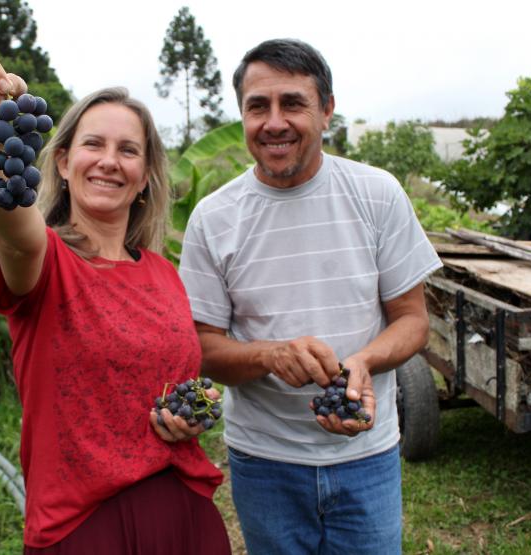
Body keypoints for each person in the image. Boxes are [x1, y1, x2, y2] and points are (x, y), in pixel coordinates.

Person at [0, 46, 231, 554]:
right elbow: (14, 228)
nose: (110, 161)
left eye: (129, 150)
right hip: (85, 530)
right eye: (94, 144)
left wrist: (191, 411)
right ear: (64, 163)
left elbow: (171, 381)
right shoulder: (46, 263)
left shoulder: (164, 275)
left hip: (186, 516)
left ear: (144, 177)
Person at [179, 38, 443, 554]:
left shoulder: (377, 194)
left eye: (293, 103)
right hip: (264, 463)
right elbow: (203, 349)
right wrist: (269, 355)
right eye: (258, 106)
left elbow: (413, 320)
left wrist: (364, 361)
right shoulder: (213, 217)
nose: (274, 122)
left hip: (367, 457)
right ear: (243, 116)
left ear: (326, 111)